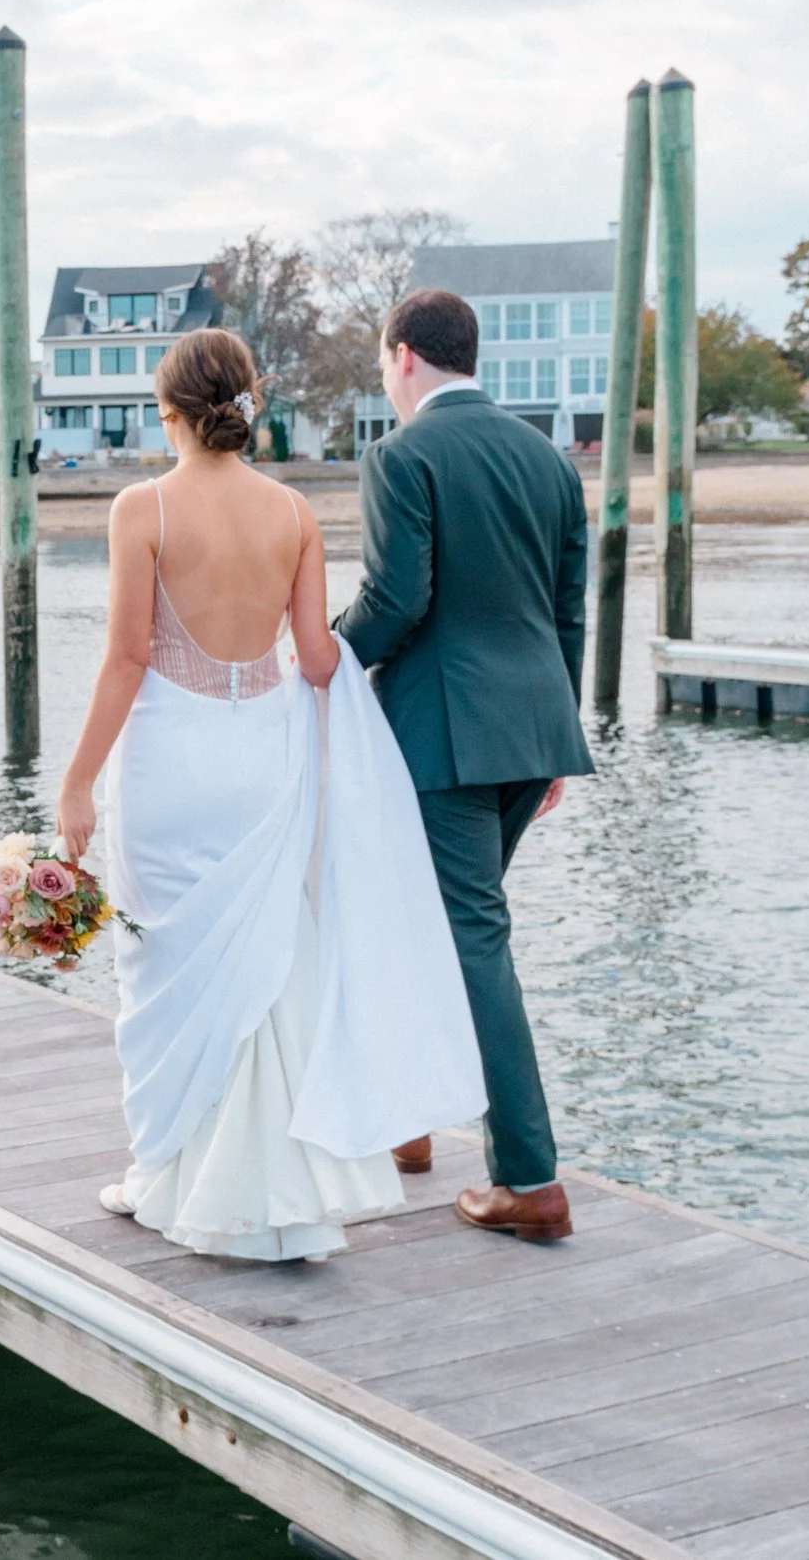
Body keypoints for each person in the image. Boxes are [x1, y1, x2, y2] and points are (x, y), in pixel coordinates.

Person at [55, 328, 487, 1263]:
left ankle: (163, 1170)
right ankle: (267, 1186)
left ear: (168, 412)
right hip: (263, 762)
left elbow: (128, 657)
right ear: (246, 406)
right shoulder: (293, 512)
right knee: (263, 970)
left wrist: (77, 779)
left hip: (170, 761)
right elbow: (322, 658)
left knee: (162, 970)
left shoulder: (143, 509)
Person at [333, 289, 593, 1242]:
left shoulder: (402, 455)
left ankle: (528, 1177)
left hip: (445, 734)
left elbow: (397, 598)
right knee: (436, 929)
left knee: (471, 941)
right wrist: (555, 733)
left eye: (380, 362)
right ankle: (407, 1128)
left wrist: (321, 659)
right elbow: (569, 610)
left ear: (404, 357)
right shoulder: (550, 459)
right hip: (532, 731)